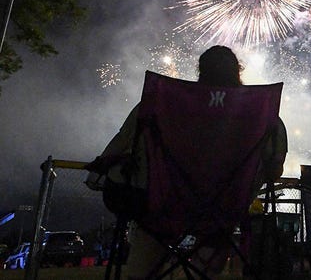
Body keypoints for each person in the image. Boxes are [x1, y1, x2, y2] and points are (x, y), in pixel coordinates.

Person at [86, 45, 287, 279]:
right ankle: (206, 270)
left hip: (162, 206)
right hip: (223, 212)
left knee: (148, 219)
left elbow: (119, 145)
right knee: (217, 228)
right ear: (238, 72)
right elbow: (274, 169)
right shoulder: (262, 115)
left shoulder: (162, 104)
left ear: (200, 72)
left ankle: (141, 273)